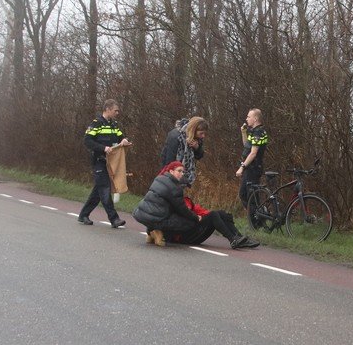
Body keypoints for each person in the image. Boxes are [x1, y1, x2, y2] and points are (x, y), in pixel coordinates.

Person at [134, 162, 258, 249]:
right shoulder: (175, 194)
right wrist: (198, 217)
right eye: (179, 171)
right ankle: (233, 240)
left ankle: (239, 238)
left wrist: (208, 214)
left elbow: (194, 209)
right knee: (214, 215)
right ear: (171, 172)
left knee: (219, 213)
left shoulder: (168, 188)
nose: (182, 174)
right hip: (183, 235)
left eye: (183, 172)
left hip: (174, 226)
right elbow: (184, 211)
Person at [77, 99, 132, 228]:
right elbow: (87, 141)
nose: (117, 113)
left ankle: (83, 215)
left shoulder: (114, 125)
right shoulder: (96, 124)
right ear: (107, 109)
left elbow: (120, 137)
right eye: (115, 110)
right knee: (105, 189)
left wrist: (124, 141)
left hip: (111, 163)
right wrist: (103, 148)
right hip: (99, 162)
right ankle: (114, 219)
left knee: (98, 191)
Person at [159, 116, 208, 187]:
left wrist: (197, 148)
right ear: (193, 130)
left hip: (184, 173)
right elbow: (169, 160)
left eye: (204, 133)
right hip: (171, 172)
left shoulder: (197, 138)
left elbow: (199, 156)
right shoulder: (175, 136)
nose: (203, 136)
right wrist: (171, 176)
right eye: (201, 133)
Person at [236, 108, 268, 207]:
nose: (246, 119)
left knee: (251, 196)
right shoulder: (254, 131)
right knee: (244, 194)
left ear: (255, 118)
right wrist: (243, 132)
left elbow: (253, 153)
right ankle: (255, 218)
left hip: (253, 168)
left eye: (248, 117)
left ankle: (257, 220)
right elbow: (247, 145)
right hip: (249, 168)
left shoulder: (258, 132)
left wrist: (242, 167)